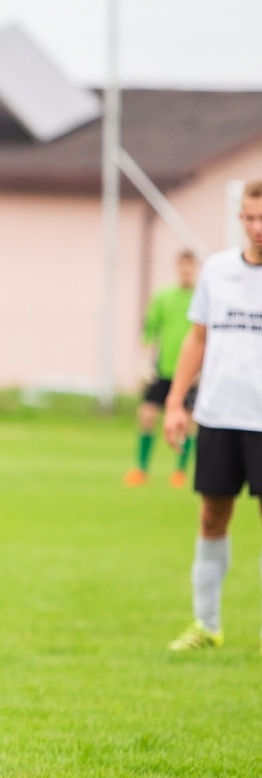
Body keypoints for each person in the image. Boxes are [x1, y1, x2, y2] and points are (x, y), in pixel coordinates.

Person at [163, 180, 262, 652]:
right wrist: (176, 402)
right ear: (240, 218)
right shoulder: (217, 270)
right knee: (211, 514)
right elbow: (197, 338)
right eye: (250, 218)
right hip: (220, 415)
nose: (258, 228)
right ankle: (207, 624)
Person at [127, 250, 198, 488]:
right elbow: (150, 329)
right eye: (182, 268)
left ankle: (180, 471)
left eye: (190, 268)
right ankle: (141, 468)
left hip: (192, 371)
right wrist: (144, 360)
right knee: (147, 414)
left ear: (195, 269)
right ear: (177, 268)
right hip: (164, 368)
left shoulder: (201, 297)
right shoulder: (163, 297)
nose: (186, 273)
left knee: (188, 422)